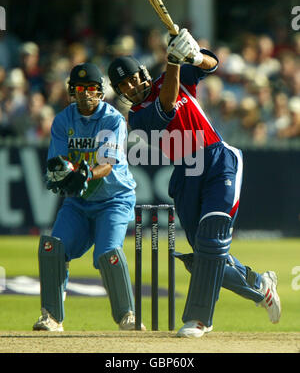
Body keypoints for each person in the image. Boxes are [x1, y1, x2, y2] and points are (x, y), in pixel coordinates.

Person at [107, 27, 281, 338]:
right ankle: (259, 285)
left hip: (217, 159)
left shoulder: (173, 76)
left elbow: (212, 65)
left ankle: (199, 319)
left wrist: (193, 53)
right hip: (186, 172)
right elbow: (166, 107)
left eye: (133, 78)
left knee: (212, 239)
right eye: (124, 85)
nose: (131, 86)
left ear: (143, 73)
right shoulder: (138, 115)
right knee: (203, 255)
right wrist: (172, 61)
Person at [33, 62, 143, 332]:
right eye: (80, 89)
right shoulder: (63, 120)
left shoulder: (113, 119)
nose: (85, 94)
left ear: (100, 91)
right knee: (52, 247)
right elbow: (57, 162)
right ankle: (51, 316)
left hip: (113, 200)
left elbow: (107, 165)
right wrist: (60, 175)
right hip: (78, 203)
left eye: (91, 89)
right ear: (72, 90)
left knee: (108, 253)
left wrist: (84, 174)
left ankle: (127, 316)